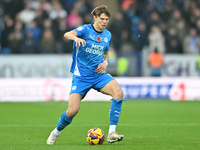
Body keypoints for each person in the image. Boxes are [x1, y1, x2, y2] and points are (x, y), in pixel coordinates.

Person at [46, 5, 124, 145]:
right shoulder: (85, 30)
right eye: (102, 19)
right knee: (72, 111)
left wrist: (105, 63)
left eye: (107, 19)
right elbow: (67, 34)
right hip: (81, 76)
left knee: (118, 92)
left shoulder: (107, 35)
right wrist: (75, 38)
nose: (104, 22)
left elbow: (106, 53)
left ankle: (112, 132)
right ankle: (55, 132)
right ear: (95, 17)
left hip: (99, 75)